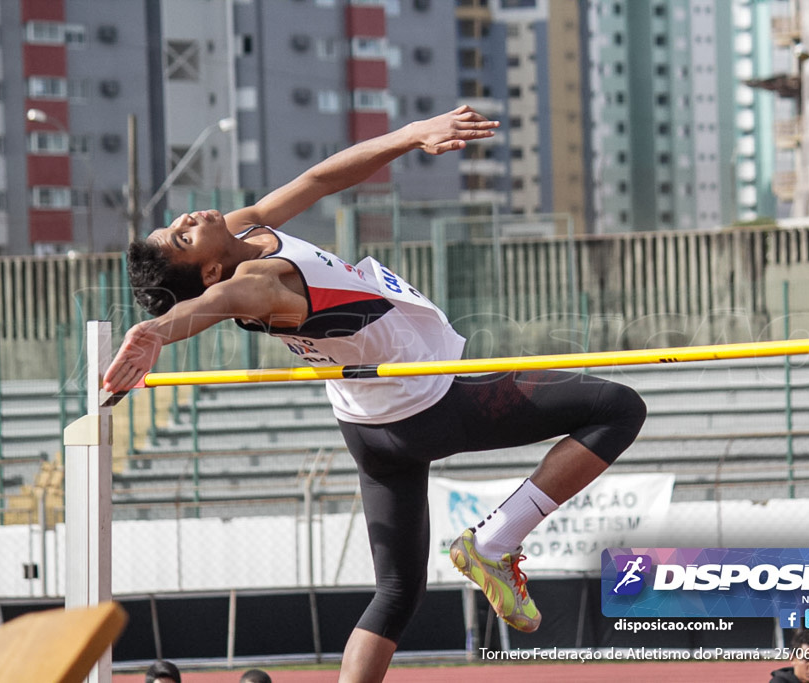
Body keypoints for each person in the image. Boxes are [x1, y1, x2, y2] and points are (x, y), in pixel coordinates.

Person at [103, 105, 647, 683]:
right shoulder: (256, 284)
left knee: (395, 591)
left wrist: (411, 135)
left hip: (369, 429)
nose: (189, 215)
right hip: (429, 406)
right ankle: (495, 541)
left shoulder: (242, 232)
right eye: (183, 234)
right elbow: (215, 307)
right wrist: (159, 331)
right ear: (209, 269)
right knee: (617, 408)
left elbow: (320, 179)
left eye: (178, 222)